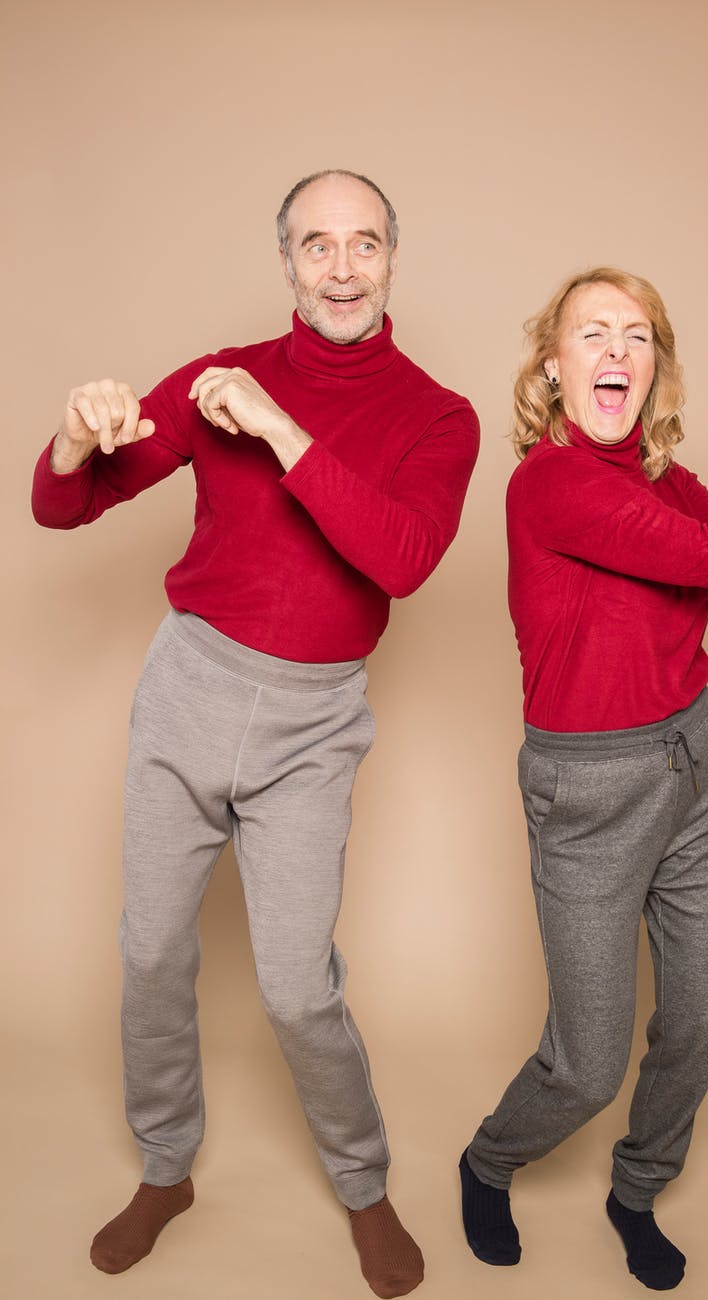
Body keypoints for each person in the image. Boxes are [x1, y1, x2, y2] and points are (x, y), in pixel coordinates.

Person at [31, 168, 479, 1297]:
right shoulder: (217, 380)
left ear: (390, 260)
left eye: (362, 244)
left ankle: (364, 1182)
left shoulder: (438, 415)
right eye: (317, 246)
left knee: (293, 985)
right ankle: (168, 1164)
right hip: (189, 688)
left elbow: (403, 559)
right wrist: (78, 438)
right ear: (287, 262)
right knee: (148, 952)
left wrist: (282, 430)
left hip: (313, 725)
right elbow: (64, 504)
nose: (340, 267)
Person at [458, 267, 708, 1290]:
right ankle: (489, 1160)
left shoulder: (663, 478)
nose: (617, 349)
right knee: (589, 1058)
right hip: (592, 794)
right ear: (553, 368)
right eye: (592, 333)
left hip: (698, 763)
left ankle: (638, 1189)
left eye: (637, 334)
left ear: (654, 368)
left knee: (695, 1020)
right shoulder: (553, 484)